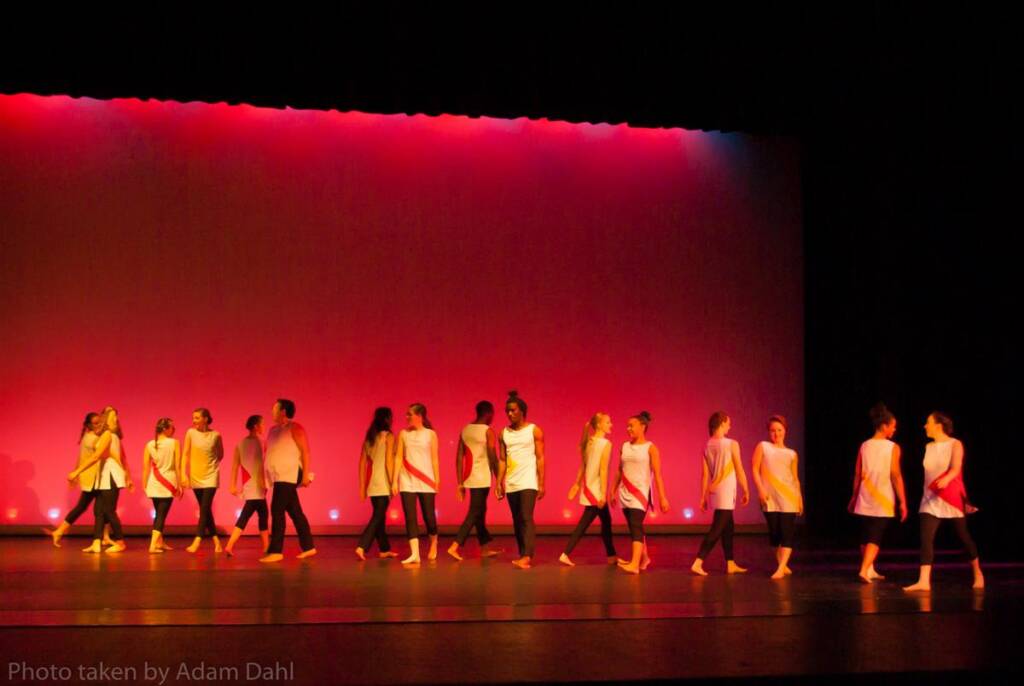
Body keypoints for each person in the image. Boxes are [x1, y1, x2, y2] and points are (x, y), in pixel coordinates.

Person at [903, 412, 984, 591]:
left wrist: (947, 479)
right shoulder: (928, 446)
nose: (925, 426)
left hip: (950, 496)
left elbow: (956, 468)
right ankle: (924, 581)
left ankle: (978, 573)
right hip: (930, 498)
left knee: (963, 537)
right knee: (926, 539)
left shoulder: (955, 444)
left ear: (938, 425)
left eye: (928, 422)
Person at [849, 403, 908, 583]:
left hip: (864, 496)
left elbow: (857, 474)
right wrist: (903, 501)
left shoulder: (864, 445)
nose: (894, 429)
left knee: (866, 535)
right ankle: (864, 569)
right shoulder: (892, 447)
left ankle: (870, 568)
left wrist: (854, 497)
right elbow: (896, 475)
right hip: (882, 498)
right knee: (876, 536)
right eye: (893, 425)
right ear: (884, 426)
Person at [691, 411, 750, 576]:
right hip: (725, 490)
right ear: (722, 423)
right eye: (728, 423)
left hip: (715, 491)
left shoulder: (706, 445)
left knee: (728, 527)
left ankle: (730, 563)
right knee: (717, 528)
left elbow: (705, 475)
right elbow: (739, 468)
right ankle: (698, 561)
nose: (730, 426)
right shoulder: (731, 443)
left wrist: (703, 496)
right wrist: (745, 488)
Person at [609, 411, 670, 573]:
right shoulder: (624, 446)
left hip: (640, 493)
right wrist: (612, 490)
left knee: (636, 526)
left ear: (643, 427)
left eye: (632, 425)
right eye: (627, 426)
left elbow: (657, 475)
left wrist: (663, 497)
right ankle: (644, 558)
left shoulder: (651, 448)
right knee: (634, 527)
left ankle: (635, 564)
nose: (628, 428)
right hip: (624, 492)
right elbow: (619, 471)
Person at [260, 398, 317, 562]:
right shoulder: (272, 430)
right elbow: (269, 453)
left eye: (275, 408)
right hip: (278, 476)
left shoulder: (295, 427)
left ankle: (276, 551)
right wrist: (265, 479)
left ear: (283, 411)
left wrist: (305, 475)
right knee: (295, 511)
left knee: (277, 509)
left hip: (289, 474)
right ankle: (309, 546)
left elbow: (305, 452)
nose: (272, 411)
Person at [69, 407, 132, 553]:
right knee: (99, 511)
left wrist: (77, 471)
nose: (115, 419)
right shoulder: (108, 435)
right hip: (104, 475)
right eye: (112, 416)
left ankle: (120, 542)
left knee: (109, 511)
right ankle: (96, 542)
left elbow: (99, 456)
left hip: (110, 475)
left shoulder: (109, 435)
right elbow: (113, 456)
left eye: (116, 417)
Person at [496, 390, 546, 569]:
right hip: (511, 482)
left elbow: (540, 457)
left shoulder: (534, 430)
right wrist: (499, 482)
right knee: (516, 519)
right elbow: (502, 459)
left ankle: (527, 555)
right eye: (507, 411)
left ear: (522, 411)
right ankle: (522, 552)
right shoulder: (504, 434)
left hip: (528, 481)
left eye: (513, 410)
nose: (510, 414)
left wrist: (541, 482)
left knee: (526, 517)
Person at [560, 412, 617, 566]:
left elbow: (583, 467)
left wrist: (577, 484)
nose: (610, 425)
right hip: (596, 492)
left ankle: (612, 556)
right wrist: (603, 494)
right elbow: (603, 470)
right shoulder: (606, 444)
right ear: (599, 425)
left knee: (606, 522)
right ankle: (565, 553)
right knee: (585, 524)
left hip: (589, 489)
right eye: (607, 422)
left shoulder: (588, 442)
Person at [751, 415, 804, 579]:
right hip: (770, 497)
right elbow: (754, 469)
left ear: (785, 431)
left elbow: (795, 478)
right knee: (774, 533)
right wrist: (760, 489)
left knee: (787, 532)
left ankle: (781, 567)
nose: (776, 433)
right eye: (773, 430)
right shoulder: (763, 446)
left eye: (779, 430)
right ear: (769, 432)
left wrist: (799, 497)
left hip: (788, 496)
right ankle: (782, 563)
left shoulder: (792, 454)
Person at [448, 401, 501, 561]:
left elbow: (458, 457)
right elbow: (492, 456)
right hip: (482, 477)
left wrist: (460, 481)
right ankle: (455, 545)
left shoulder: (465, 430)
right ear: (488, 413)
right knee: (475, 512)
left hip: (469, 476)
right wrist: (499, 477)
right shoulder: (488, 431)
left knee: (480, 511)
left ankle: (485, 547)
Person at [391, 403, 440, 567]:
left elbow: (434, 458)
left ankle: (434, 541)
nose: (406, 417)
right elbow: (398, 457)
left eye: (409, 414)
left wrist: (437, 479)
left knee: (429, 518)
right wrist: (394, 480)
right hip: (407, 480)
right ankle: (415, 554)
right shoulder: (403, 434)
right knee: (410, 517)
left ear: (420, 416)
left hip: (426, 480)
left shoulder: (430, 434)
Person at [47, 412, 106, 547]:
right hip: (93, 477)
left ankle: (61, 531)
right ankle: (99, 539)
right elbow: (94, 457)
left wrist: (76, 473)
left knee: (89, 508)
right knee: (98, 510)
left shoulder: (87, 437)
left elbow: (80, 458)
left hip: (91, 476)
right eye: (96, 423)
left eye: (100, 422)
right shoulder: (93, 439)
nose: (99, 425)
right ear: (89, 425)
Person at [355, 407, 398, 561]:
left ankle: (384, 549)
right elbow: (389, 461)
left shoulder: (370, 437)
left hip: (372, 483)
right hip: (383, 482)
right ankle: (362, 546)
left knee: (379, 516)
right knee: (378, 516)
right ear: (388, 419)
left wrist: (362, 486)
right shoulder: (388, 436)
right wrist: (393, 482)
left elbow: (361, 463)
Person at [225, 415, 269, 557]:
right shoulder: (261, 443)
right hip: (258, 486)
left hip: (250, 486)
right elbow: (265, 465)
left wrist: (232, 485)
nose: (264, 427)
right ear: (256, 426)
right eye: (262, 424)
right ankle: (266, 547)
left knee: (256, 515)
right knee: (257, 516)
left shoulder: (240, 444)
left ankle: (265, 546)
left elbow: (234, 467)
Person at [182, 408, 224, 553]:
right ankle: (216, 541)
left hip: (211, 476)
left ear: (206, 419)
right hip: (196, 476)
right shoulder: (190, 433)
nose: (194, 421)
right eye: (193, 418)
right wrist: (183, 474)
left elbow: (220, 454)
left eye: (197, 418)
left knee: (204, 509)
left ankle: (197, 540)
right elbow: (185, 454)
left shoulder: (216, 435)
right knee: (205, 510)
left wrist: (210, 464)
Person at [142, 417, 181, 553]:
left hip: (154, 482)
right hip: (168, 482)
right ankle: (153, 545)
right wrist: (180, 484)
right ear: (165, 429)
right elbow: (177, 466)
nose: (174, 430)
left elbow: (145, 468)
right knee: (161, 515)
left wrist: (144, 483)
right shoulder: (174, 443)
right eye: (172, 427)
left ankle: (160, 542)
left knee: (159, 513)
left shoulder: (149, 444)